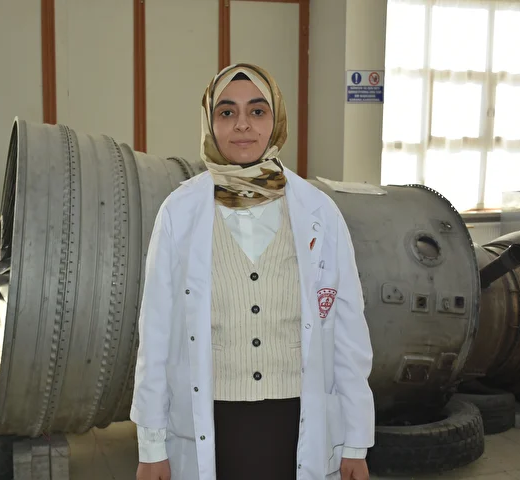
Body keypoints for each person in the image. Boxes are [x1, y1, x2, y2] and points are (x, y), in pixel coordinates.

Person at [131, 63, 375, 480]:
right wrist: (151, 446)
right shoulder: (179, 212)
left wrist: (355, 442)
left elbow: (349, 334)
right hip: (211, 420)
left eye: (257, 111)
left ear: (276, 121)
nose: (242, 124)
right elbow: (155, 337)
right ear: (210, 124)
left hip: (298, 421)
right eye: (227, 112)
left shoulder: (319, 211)